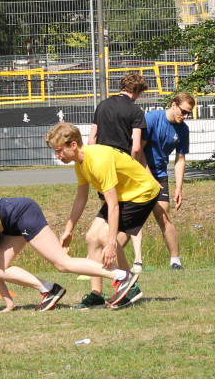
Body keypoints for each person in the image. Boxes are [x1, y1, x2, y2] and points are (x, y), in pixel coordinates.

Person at [0, 197, 138, 321]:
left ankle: (120, 276)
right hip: (12, 224)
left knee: (62, 263)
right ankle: (49, 290)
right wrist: (8, 302)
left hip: (20, 213)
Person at [46, 121, 158, 308]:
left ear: (73, 145)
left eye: (59, 150)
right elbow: (81, 198)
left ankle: (130, 286)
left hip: (142, 193)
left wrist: (112, 244)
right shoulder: (80, 163)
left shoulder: (97, 161)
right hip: (124, 194)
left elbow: (113, 206)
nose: (57, 155)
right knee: (91, 237)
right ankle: (96, 295)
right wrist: (68, 229)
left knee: (106, 237)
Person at [90, 72, 150, 271]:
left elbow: (91, 139)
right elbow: (135, 147)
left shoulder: (103, 105)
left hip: (101, 166)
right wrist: (134, 167)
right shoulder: (135, 111)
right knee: (123, 221)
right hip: (122, 168)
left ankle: (97, 264)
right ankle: (121, 264)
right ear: (137, 91)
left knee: (106, 215)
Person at [141, 92, 194, 270]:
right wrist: (148, 178)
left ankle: (175, 262)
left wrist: (179, 188)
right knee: (132, 219)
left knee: (163, 215)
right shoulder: (151, 119)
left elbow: (180, 160)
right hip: (139, 172)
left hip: (160, 175)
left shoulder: (183, 129)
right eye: (184, 111)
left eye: (189, 113)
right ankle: (114, 262)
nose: (185, 116)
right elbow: (137, 152)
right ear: (173, 105)